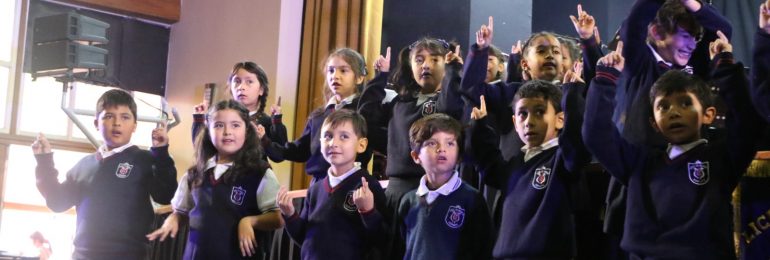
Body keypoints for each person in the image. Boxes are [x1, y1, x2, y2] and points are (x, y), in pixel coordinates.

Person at [583, 33, 765, 258]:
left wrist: (725, 66)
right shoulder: (639, 163)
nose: (674, 112)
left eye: (686, 103)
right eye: (663, 107)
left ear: (708, 115)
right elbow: (595, 134)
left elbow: (749, 121)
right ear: (654, 123)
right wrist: (605, 79)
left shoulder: (722, 158)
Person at [32, 89, 177, 259]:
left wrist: (161, 154)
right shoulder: (83, 166)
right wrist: (44, 162)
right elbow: (57, 202)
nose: (117, 123)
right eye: (109, 116)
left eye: (125, 117)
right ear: (96, 123)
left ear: (135, 126)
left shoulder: (144, 160)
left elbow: (166, 195)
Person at [470, 68, 591, 258]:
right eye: (522, 114)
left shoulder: (562, 158)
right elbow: (488, 167)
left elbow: (576, 144)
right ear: (514, 122)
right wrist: (479, 128)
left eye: (539, 112)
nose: (529, 122)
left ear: (560, 120)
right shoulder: (515, 163)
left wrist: (573, 96)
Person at [147, 100, 283, 259]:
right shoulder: (195, 173)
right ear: (208, 131)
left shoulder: (260, 172)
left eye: (235, 125)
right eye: (218, 125)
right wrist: (174, 219)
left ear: (247, 131)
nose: (227, 131)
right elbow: (182, 211)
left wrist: (249, 221)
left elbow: (278, 218)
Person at [276, 109, 386, 259]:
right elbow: (304, 238)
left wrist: (368, 211)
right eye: (328, 136)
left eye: (344, 137)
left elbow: (381, 239)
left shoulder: (368, 187)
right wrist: (290, 214)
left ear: (361, 144)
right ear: (320, 142)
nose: (333, 143)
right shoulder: (314, 190)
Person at [264, 48, 384, 182]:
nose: (335, 76)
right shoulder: (319, 115)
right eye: (331, 70)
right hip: (319, 184)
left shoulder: (363, 111)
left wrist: (381, 76)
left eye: (343, 70)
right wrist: (265, 140)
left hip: (351, 183)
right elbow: (300, 150)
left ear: (360, 77)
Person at [397, 113, 493, 260]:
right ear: (416, 156)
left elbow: (483, 250)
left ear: (459, 155)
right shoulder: (408, 201)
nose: (442, 149)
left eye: (450, 143)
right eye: (432, 143)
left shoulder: (471, 199)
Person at [192, 61, 287, 161]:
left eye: (249, 82)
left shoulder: (265, 121)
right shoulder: (218, 116)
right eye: (237, 81)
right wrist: (199, 119)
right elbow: (201, 149)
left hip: (255, 174)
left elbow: (279, 157)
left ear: (261, 90)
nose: (241, 87)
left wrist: (276, 122)